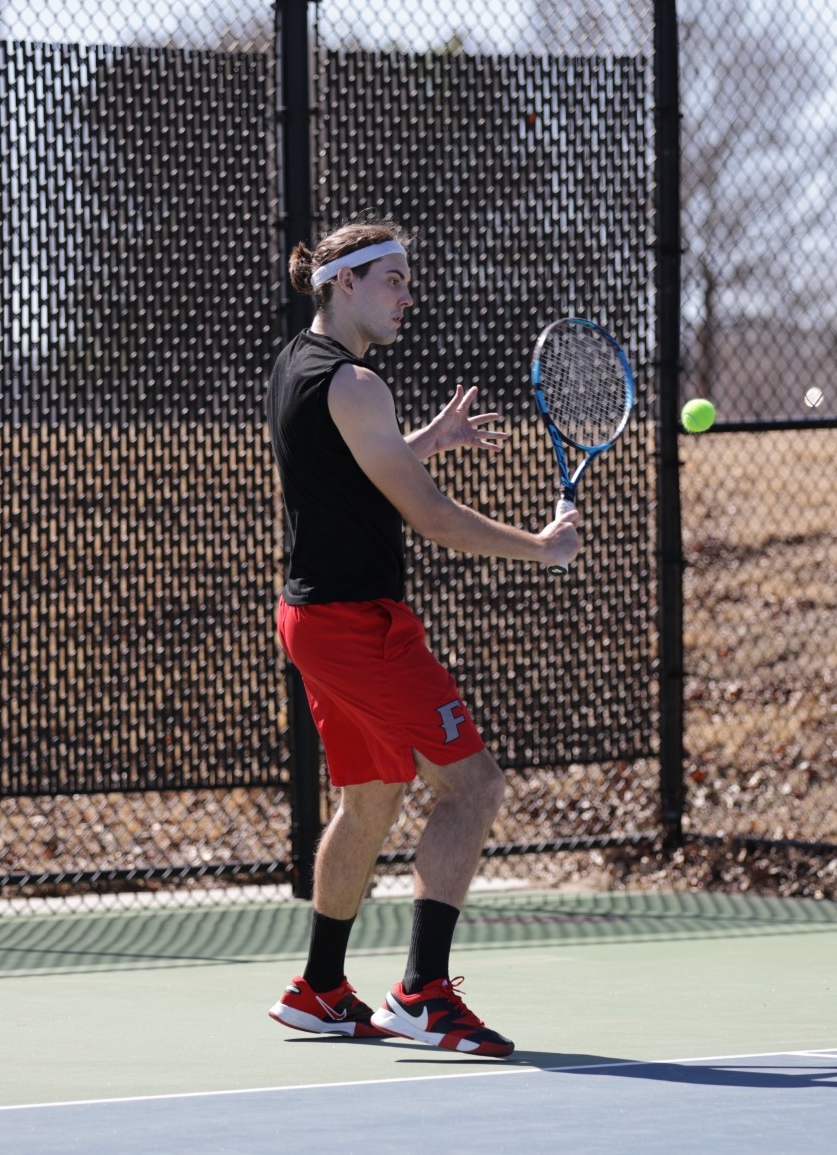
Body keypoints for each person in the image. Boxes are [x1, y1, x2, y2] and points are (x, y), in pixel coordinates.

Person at [264, 220, 581, 1059]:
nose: (409, 295)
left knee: (370, 797)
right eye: (394, 279)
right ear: (344, 283)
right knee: (472, 785)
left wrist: (422, 442)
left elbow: (347, 476)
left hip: (310, 617)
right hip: (360, 623)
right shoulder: (359, 384)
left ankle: (321, 988)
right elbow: (431, 517)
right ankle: (424, 994)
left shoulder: (298, 367)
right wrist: (542, 546)